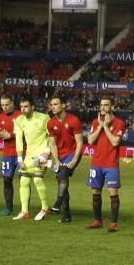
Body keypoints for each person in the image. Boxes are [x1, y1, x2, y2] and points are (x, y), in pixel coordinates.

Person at [86, 95, 126, 232]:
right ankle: (97, 221)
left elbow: (115, 142)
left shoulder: (119, 123)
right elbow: (90, 141)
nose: (103, 108)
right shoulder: (95, 122)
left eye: (106, 105)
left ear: (112, 106)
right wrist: (100, 126)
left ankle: (113, 223)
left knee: (113, 193)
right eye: (101, 105)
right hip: (96, 163)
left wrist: (106, 127)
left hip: (111, 164)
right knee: (95, 192)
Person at [13, 95, 53, 221]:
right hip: (28, 156)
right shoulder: (19, 120)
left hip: (42, 155)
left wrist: (46, 154)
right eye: (21, 107)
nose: (23, 109)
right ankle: (25, 211)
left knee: (37, 180)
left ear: (32, 107)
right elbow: (19, 140)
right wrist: (20, 159)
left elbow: (52, 137)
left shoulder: (44, 118)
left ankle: (45, 209)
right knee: (23, 181)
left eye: (26, 107)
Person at [46, 94, 84, 223]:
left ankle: (57, 203)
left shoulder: (74, 120)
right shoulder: (50, 122)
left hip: (73, 153)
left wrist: (74, 159)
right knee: (62, 181)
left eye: (56, 104)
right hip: (59, 155)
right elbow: (52, 144)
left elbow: (79, 142)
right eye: (51, 105)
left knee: (63, 174)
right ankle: (66, 215)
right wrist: (56, 160)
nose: (53, 107)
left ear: (63, 105)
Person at [0, 93, 20, 216]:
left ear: (12, 103)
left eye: (7, 104)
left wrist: (11, 135)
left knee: (23, 180)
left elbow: (28, 133)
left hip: (22, 152)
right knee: (6, 180)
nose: (5, 107)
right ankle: (9, 208)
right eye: (2, 105)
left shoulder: (20, 115)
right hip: (7, 153)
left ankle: (25, 209)